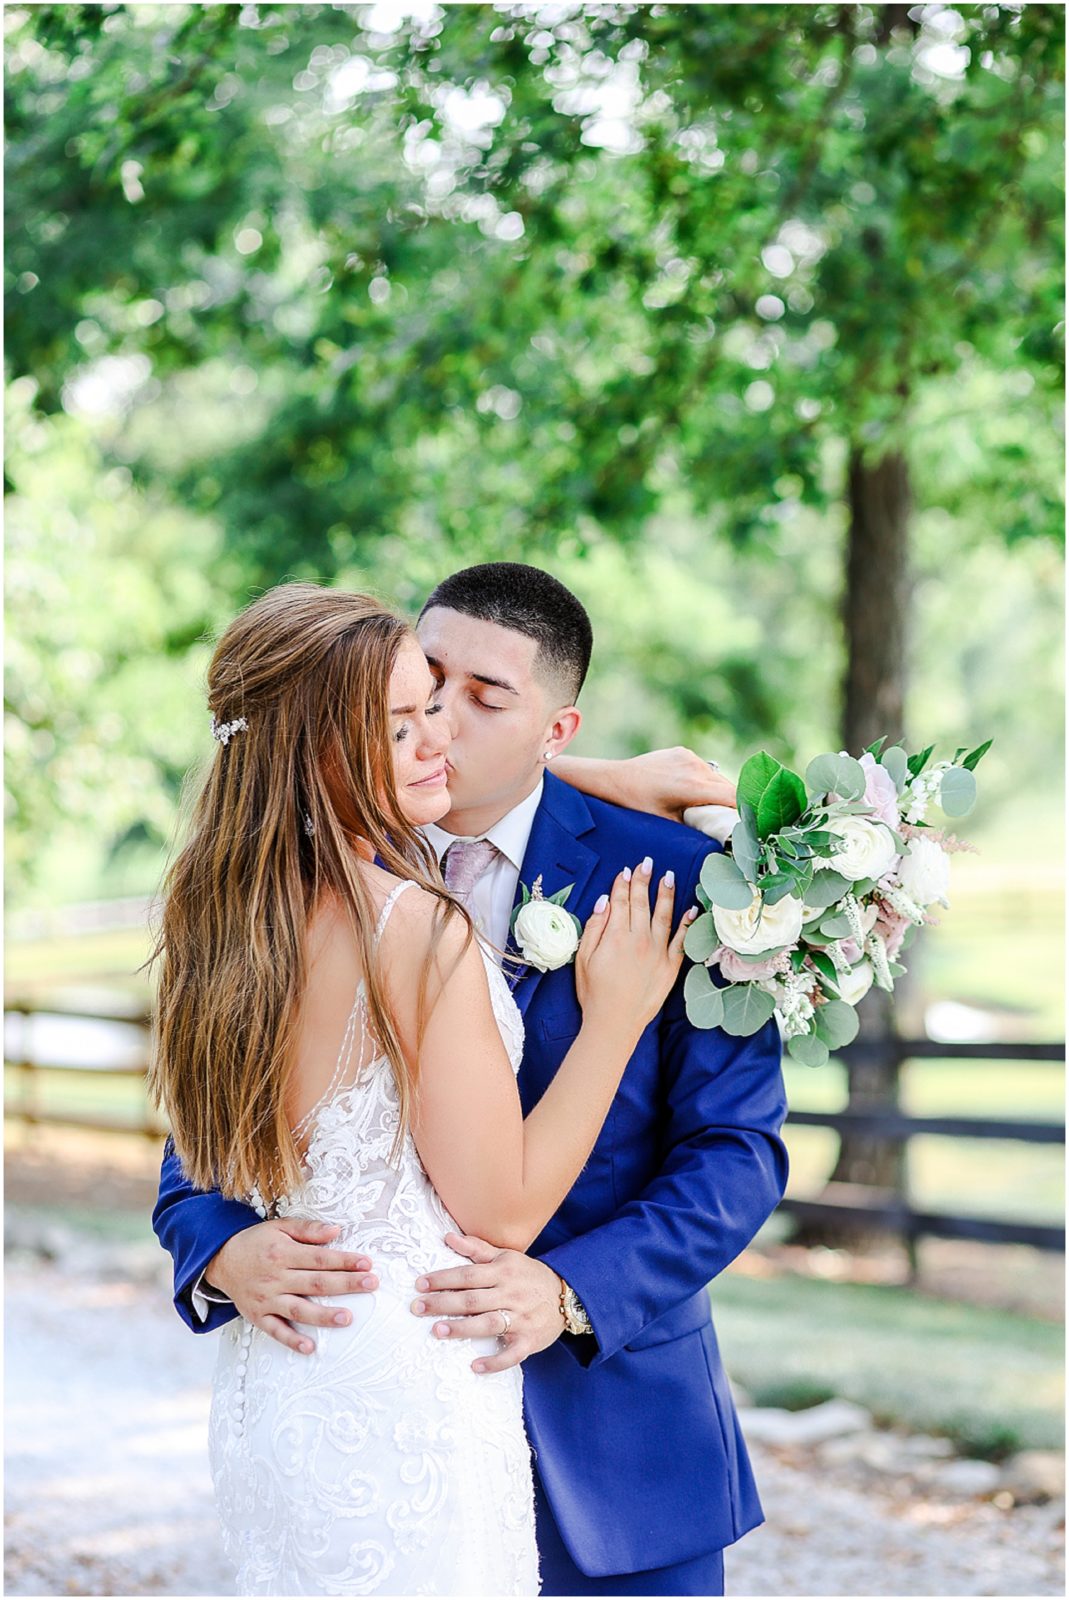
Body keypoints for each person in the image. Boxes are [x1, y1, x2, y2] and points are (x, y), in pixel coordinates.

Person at [153, 562, 789, 1597]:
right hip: (378, 1408)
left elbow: (738, 1152)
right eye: (421, 688)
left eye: (482, 697)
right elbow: (209, 1127)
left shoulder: (678, 879)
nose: (442, 720)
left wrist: (573, 1291)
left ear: (557, 729)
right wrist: (220, 1243)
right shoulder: (298, 879)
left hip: (618, 1439)